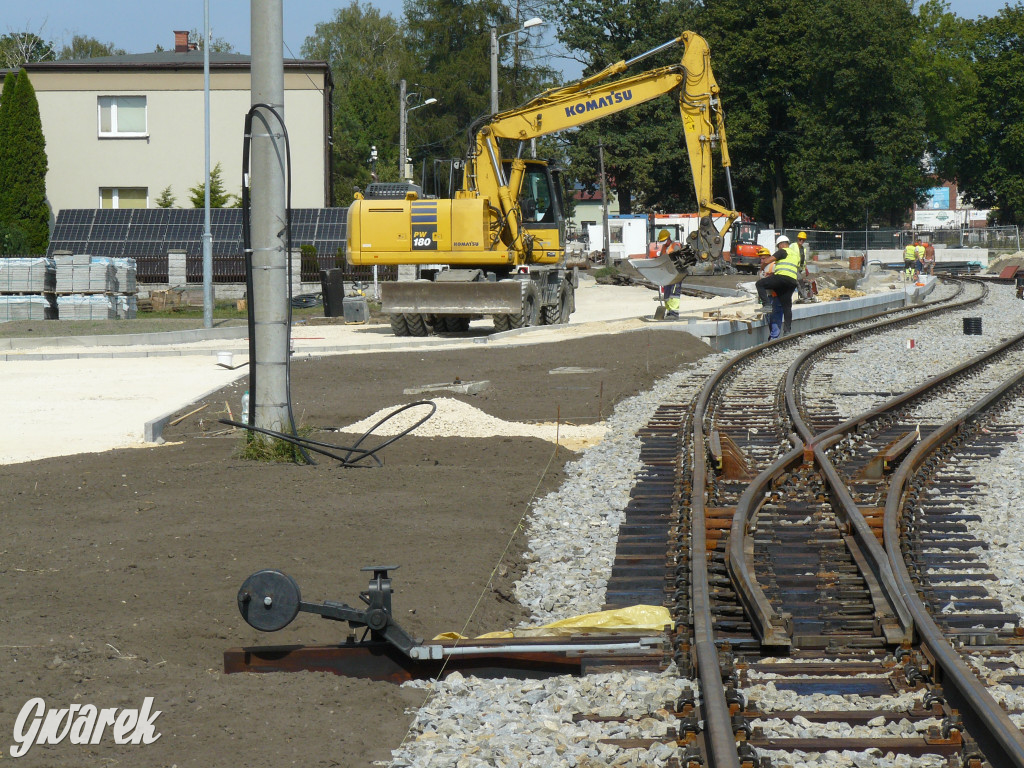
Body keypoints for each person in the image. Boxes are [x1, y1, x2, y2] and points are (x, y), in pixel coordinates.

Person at [755, 234, 801, 336]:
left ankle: (767, 305)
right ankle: (787, 331)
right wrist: (772, 274)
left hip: (782, 278)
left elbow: (767, 261)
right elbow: (789, 267)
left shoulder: (783, 251)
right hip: (792, 282)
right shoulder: (795, 254)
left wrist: (762, 268)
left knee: (760, 284)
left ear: (780, 244)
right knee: (787, 306)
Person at [655, 229, 684, 319]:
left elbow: (680, 260)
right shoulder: (664, 248)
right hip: (667, 274)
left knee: (674, 294)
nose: (664, 243)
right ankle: (669, 312)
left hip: (676, 274)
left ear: (668, 238)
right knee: (667, 294)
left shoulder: (675, 247)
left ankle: (674, 313)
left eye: (665, 241)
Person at [757, 247, 784, 340]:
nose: (762, 260)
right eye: (760, 258)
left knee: (776, 319)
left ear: (769, 257)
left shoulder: (774, 265)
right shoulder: (762, 269)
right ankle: (772, 339)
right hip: (768, 298)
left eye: (764, 258)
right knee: (770, 319)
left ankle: (773, 340)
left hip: (777, 297)